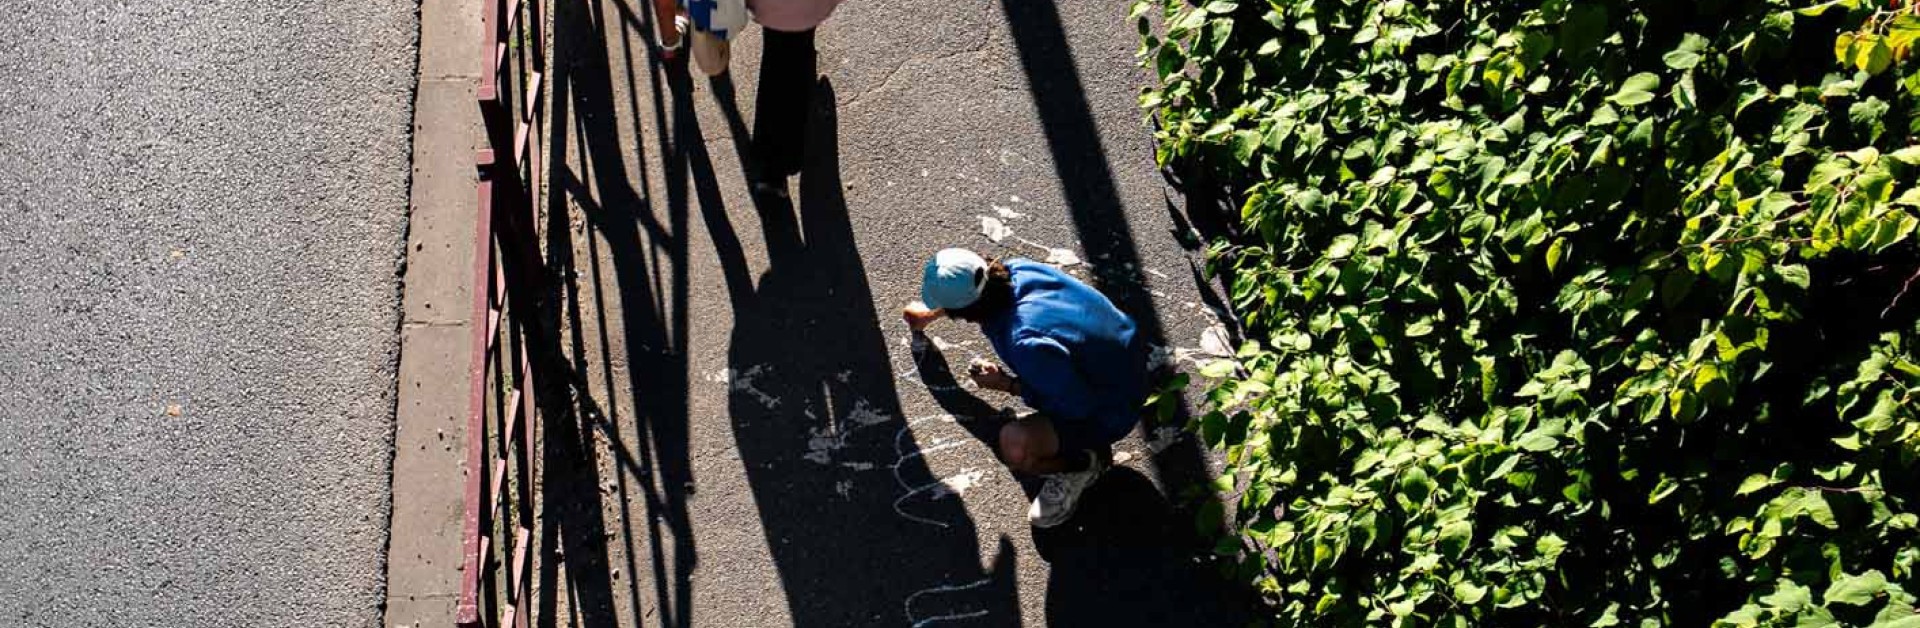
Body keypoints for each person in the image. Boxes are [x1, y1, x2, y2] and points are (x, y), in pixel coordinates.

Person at [905, 248, 1148, 528]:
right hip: (1126, 361)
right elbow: (974, 286)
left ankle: (1084, 463)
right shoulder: (1018, 271)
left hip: (1112, 407)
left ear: (963, 313)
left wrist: (1007, 384)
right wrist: (931, 314)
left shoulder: (1026, 343)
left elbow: (1077, 406)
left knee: (1015, 446)